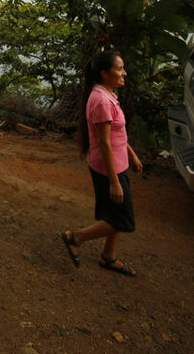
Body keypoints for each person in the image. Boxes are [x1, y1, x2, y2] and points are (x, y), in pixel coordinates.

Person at [61, 50, 143, 276]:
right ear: (104, 73)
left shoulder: (107, 95)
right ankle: (75, 238)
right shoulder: (101, 101)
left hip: (116, 164)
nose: (124, 73)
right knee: (124, 220)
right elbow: (104, 143)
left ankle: (108, 256)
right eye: (119, 69)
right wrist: (114, 182)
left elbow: (117, 134)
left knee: (114, 215)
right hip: (109, 169)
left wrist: (132, 155)